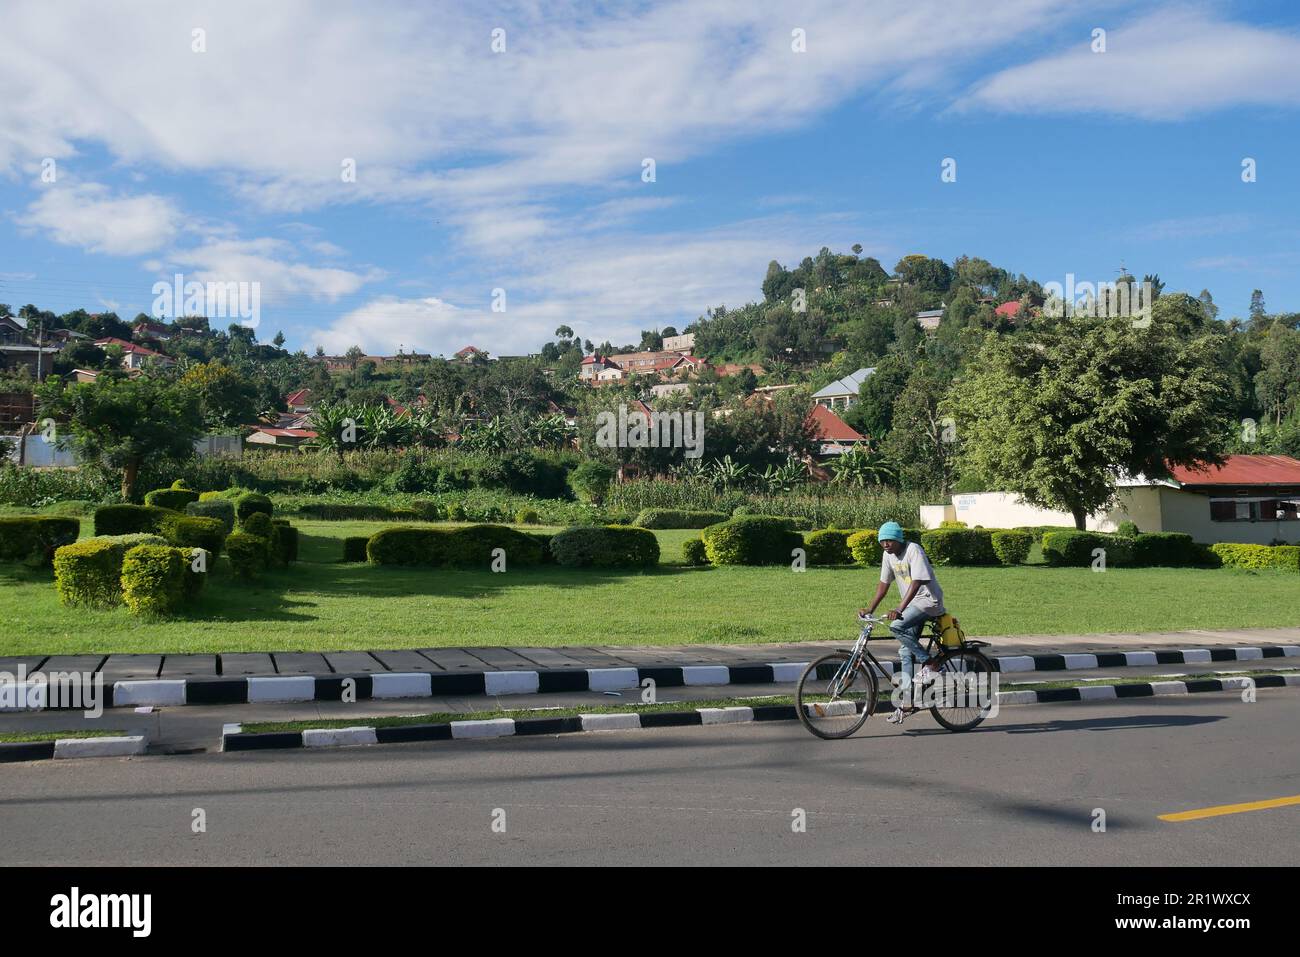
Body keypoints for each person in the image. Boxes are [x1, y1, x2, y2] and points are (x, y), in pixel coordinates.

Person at [859, 521, 945, 724]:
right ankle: (907, 703)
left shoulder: (913, 550)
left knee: (896, 626)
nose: (886, 544)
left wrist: (899, 609)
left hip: (928, 602)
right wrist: (870, 608)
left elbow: (918, 582)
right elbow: (883, 585)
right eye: (882, 541)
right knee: (905, 652)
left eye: (889, 540)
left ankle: (930, 663)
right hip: (912, 605)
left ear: (898, 539)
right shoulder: (888, 556)